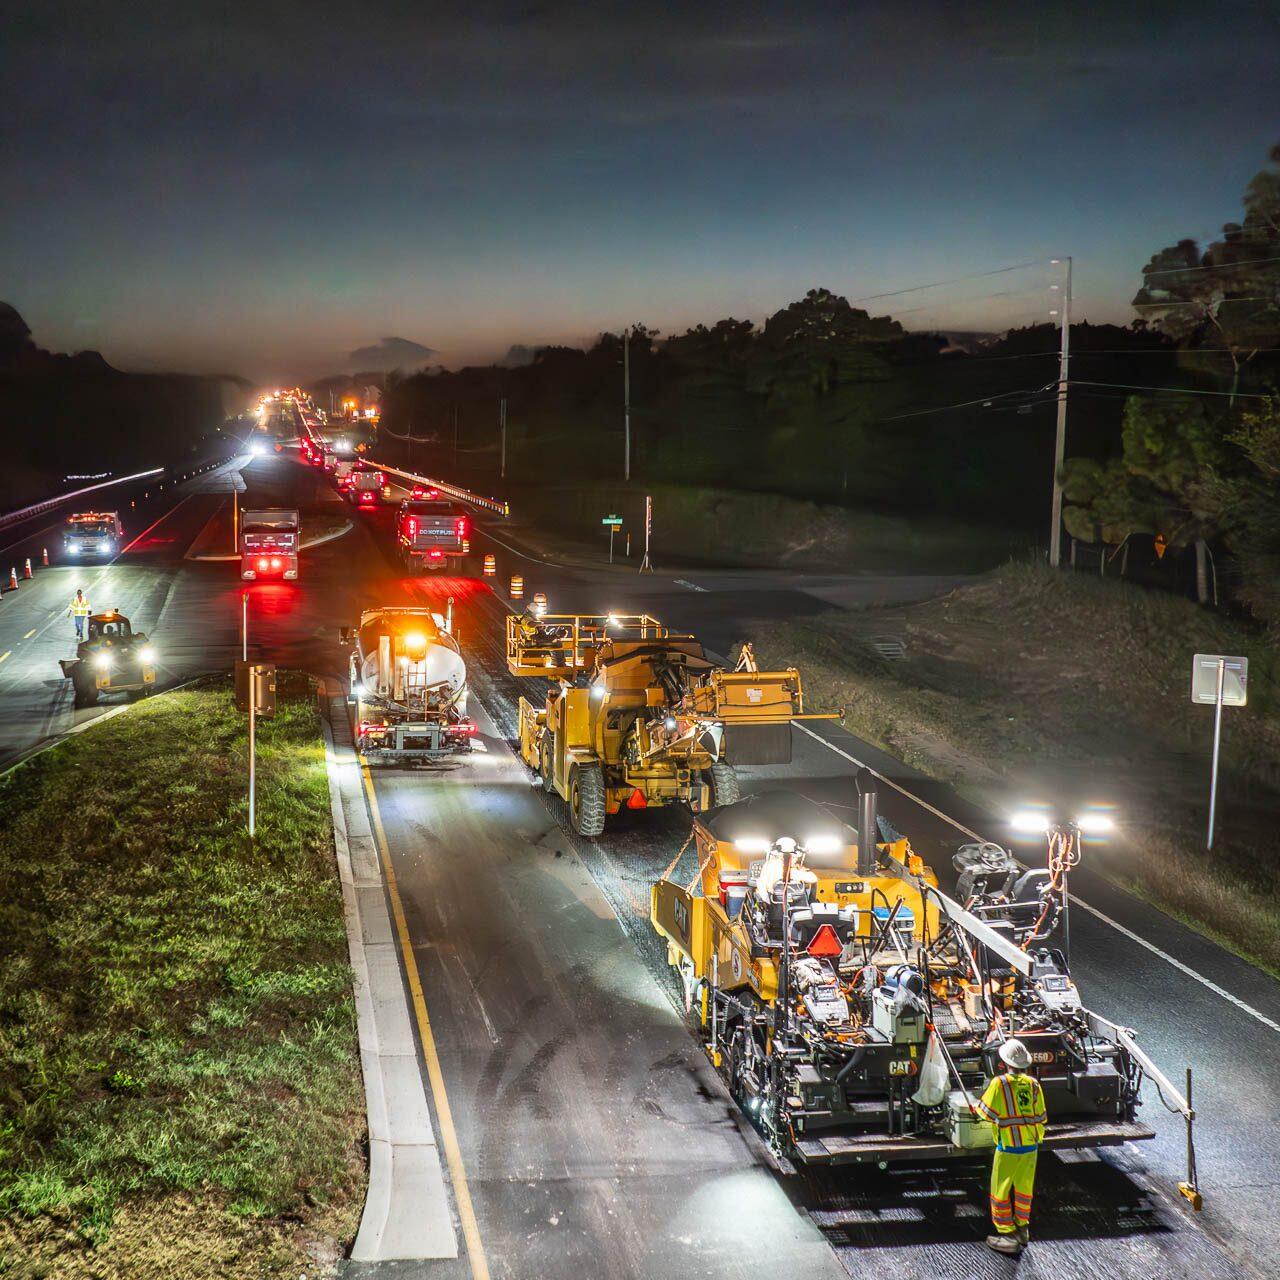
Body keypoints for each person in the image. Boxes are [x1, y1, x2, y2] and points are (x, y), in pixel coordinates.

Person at [976, 1038, 1047, 1254]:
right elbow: (1042, 1116)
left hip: (1008, 1146)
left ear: (1004, 1063)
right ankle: (1023, 1229)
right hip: (1030, 1145)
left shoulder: (1000, 1083)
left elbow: (985, 1113)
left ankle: (1007, 1234)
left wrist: (975, 1108)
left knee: (1001, 1189)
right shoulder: (1034, 1084)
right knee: (1024, 1189)